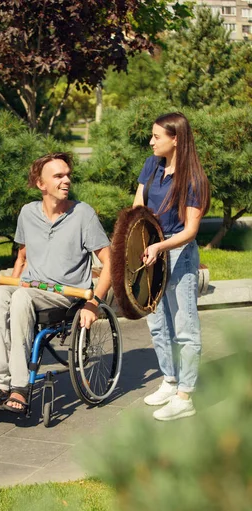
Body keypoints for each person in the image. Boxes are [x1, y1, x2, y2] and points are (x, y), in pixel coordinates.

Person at [0, 152, 111, 413]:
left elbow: (109, 261)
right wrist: (11, 285)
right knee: (1, 295)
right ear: (41, 184)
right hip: (31, 288)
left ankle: (21, 387)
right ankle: (0, 383)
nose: (66, 180)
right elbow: (22, 258)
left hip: (65, 293)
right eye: (58, 176)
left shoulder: (83, 214)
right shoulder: (27, 213)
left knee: (22, 297)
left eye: (68, 174)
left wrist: (93, 303)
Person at [133, 112, 210, 421]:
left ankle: (185, 396)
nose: (151, 142)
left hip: (178, 253)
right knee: (157, 322)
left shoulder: (193, 180)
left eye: (157, 137)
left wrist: (159, 246)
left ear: (175, 139)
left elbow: (190, 231)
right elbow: (138, 204)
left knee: (184, 327)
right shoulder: (153, 165)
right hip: (151, 250)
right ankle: (170, 380)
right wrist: (135, 241)